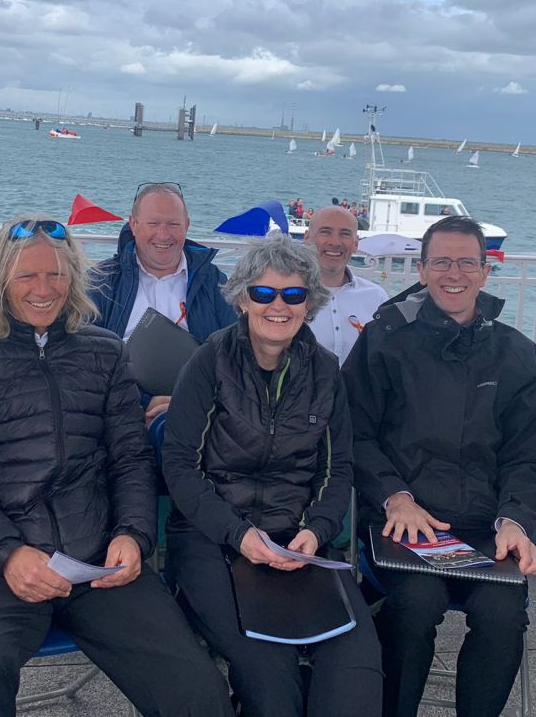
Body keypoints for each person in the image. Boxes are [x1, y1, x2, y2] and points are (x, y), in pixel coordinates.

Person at [0, 216, 233, 717]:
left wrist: (132, 534)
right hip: (0, 564)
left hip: (98, 559)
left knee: (198, 690)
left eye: (57, 275)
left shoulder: (104, 352)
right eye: (27, 276)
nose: (44, 290)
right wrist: (7, 553)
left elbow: (129, 458)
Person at [344, 215, 536, 717]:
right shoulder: (385, 340)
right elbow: (353, 433)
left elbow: (530, 455)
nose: (453, 273)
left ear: (486, 272)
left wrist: (517, 520)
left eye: (466, 262)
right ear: (421, 269)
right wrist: (395, 495)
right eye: (441, 261)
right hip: (404, 524)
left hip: (486, 527)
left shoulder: (516, 353)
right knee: (414, 606)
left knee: (504, 614)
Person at [163, 233, 383, 717]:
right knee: (268, 674)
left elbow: (335, 467)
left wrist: (315, 531)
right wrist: (237, 534)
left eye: (293, 294)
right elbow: (179, 466)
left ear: (310, 301)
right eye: (263, 293)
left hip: (296, 538)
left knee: (356, 670)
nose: (277, 305)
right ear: (243, 298)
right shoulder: (209, 363)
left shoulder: (325, 372)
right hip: (213, 539)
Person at [89, 182, 237, 422]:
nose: (164, 234)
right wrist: (144, 402)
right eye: (153, 223)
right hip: (120, 412)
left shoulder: (213, 283)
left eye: (173, 224)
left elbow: (236, 356)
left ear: (187, 226)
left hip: (200, 411)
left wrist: (187, 400)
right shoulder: (102, 282)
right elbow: (83, 363)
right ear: (133, 225)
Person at [305, 206, 388, 365]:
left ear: (356, 243)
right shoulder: (290, 296)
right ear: (307, 238)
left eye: (344, 234)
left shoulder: (376, 297)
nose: (335, 242)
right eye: (325, 232)